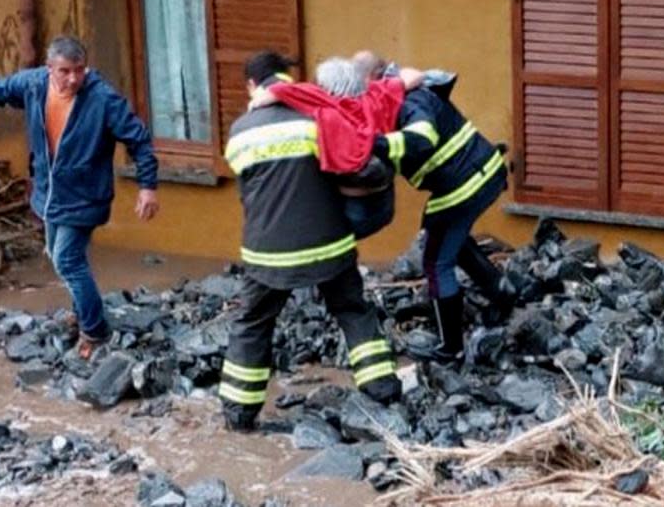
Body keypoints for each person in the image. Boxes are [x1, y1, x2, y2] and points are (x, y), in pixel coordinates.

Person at [0, 36, 159, 360]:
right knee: (58, 255)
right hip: (49, 195)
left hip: (85, 198)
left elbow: (138, 139)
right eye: (65, 71)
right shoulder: (34, 85)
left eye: (79, 70)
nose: (73, 78)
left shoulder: (103, 99)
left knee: (67, 260)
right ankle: (83, 311)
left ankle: (95, 331)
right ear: (49, 68)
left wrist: (148, 186)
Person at [219, 51, 403, 432]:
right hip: (328, 244)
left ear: (252, 86)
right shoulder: (320, 115)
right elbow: (356, 166)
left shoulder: (240, 131)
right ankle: (382, 388)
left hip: (266, 252)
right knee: (352, 310)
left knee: (252, 322)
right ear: (289, 79)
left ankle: (239, 414)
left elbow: (247, 188)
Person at [316, 54, 516, 364]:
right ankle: (502, 293)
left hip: (465, 183)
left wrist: (374, 143)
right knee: (453, 242)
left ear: (376, 80)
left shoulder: (408, 101)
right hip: (480, 172)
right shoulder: (400, 95)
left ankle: (451, 348)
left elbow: (422, 139)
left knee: (436, 261)